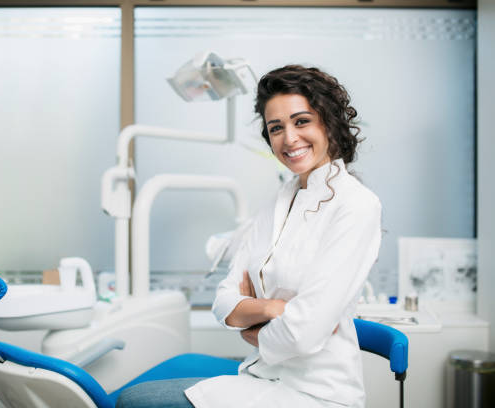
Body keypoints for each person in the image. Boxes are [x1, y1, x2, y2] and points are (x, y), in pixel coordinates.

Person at [116, 65, 382, 408]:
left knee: (137, 402)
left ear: (328, 122)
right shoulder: (278, 201)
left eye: (301, 121)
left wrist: (251, 330)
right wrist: (275, 307)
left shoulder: (356, 205)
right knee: (135, 399)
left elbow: (303, 334)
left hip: (317, 395)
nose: (289, 138)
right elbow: (224, 301)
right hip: (260, 377)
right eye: (276, 128)